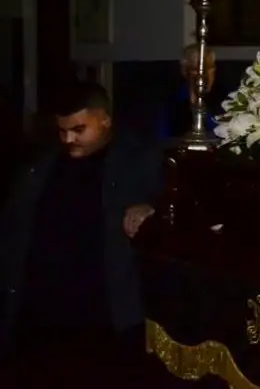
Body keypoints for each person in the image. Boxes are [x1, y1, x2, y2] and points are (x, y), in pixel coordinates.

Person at [0, 81, 164, 385]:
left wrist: (149, 208)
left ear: (105, 119)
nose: (68, 139)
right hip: (41, 316)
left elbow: (169, 203)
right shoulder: (40, 163)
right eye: (62, 131)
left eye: (78, 129)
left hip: (104, 315)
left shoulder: (139, 158)